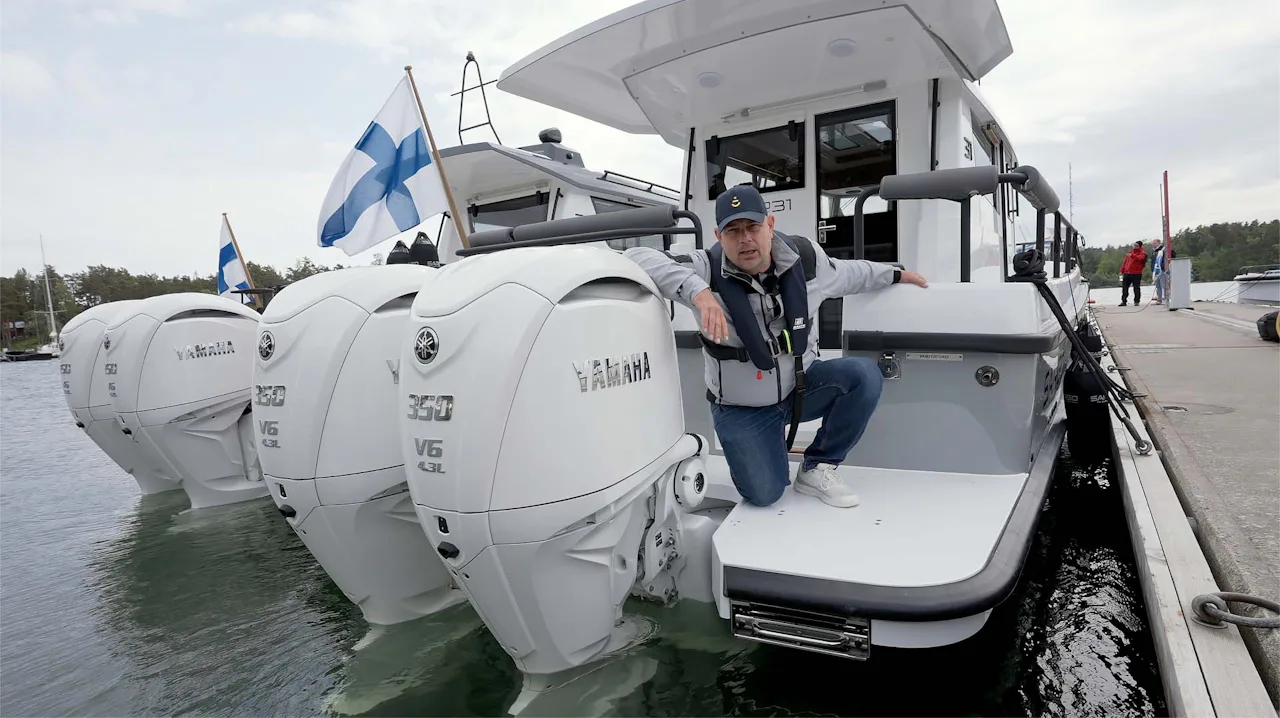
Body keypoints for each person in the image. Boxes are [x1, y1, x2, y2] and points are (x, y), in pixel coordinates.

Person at [622, 185, 928, 508]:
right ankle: (764, 448)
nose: (745, 239)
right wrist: (698, 292)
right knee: (764, 494)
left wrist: (896, 274)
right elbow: (635, 258)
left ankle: (817, 466)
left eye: (753, 227)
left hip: (799, 389)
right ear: (718, 236)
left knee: (863, 376)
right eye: (733, 231)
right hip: (742, 406)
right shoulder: (705, 268)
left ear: (770, 225)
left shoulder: (806, 261)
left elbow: (851, 273)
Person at [1119, 241, 1147, 306]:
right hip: (1127, 273)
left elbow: (1140, 258)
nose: (1135, 247)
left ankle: (1136, 301)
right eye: (1134, 245)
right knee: (1124, 288)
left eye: (1136, 246)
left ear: (1140, 246)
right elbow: (1125, 262)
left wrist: (1132, 256)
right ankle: (1124, 301)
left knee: (1136, 288)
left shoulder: (1142, 253)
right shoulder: (1130, 253)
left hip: (1136, 273)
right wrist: (1122, 270)